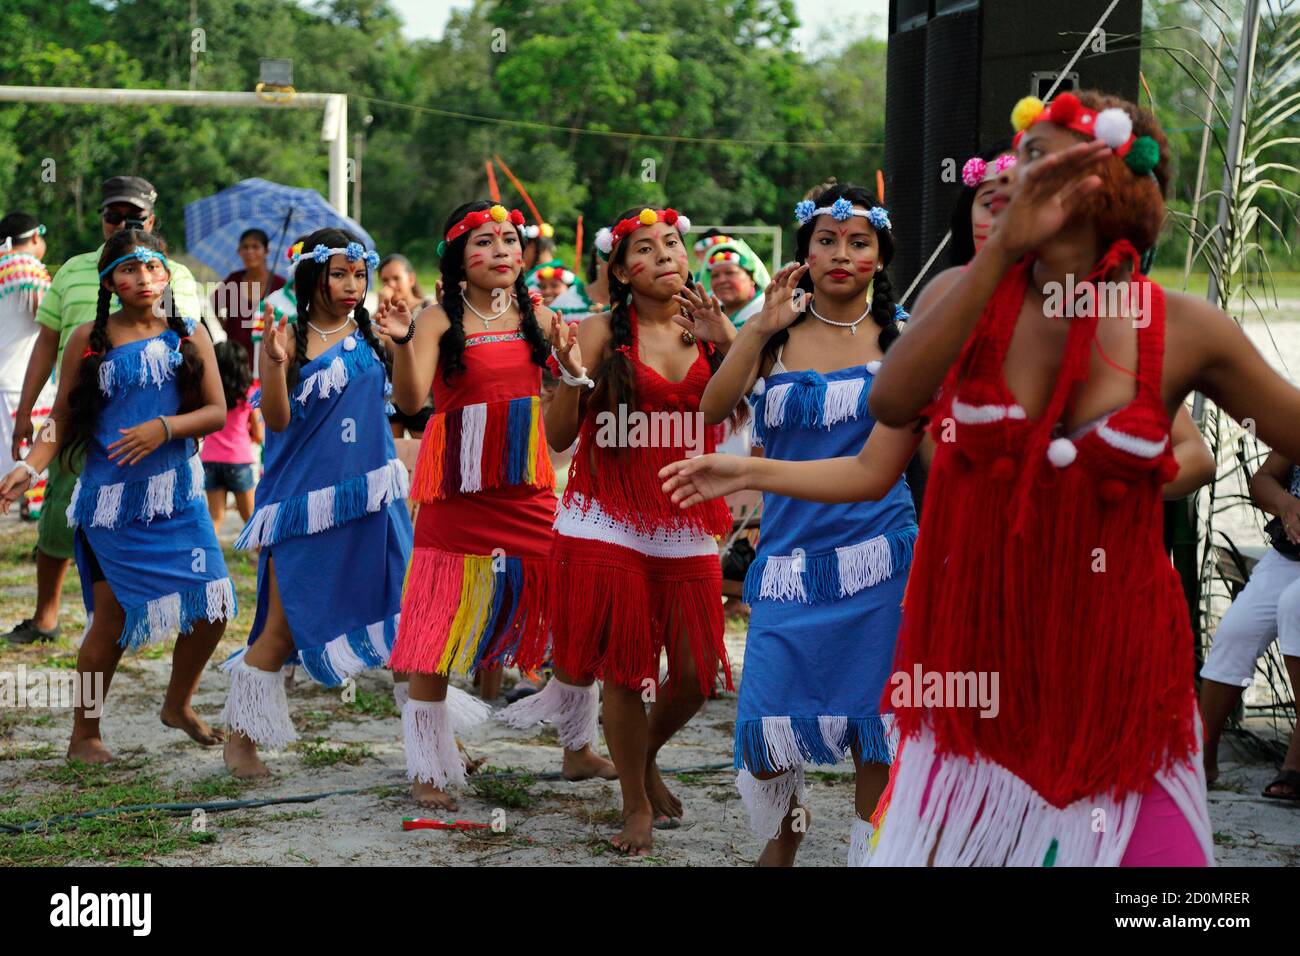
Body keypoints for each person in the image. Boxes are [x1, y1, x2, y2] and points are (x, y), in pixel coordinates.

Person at [665, 90, 1300, 865]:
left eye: (1052, 160)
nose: (1025, 178)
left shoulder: (1180, 326)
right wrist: (999, 256)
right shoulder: (952, 303)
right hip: (971, 662)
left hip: (1118, 661)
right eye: (1023, 159)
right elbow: (890, 406)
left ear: (1115, 184)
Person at [680, 185, 918, 866]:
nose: (841, 253)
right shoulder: (775, 331)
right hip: (788, 558)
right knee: (768, 724)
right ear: (804, 253)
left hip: (880, 558)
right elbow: (712, 406)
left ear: (880, 255)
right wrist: (755, 328)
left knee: (876, 724)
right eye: (826, 240)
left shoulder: (904, 336)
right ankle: (783, 843)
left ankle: (871, 855)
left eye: (858, 242)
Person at [505, 205, 738, 855]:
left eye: (672, 242)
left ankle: (644, 757)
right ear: (620, 269)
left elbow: (743, 414)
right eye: (646, 247)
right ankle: (633, 803)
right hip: (607, 518)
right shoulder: (601, 331)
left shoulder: (711, 330)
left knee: (696, 676)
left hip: (686, 514)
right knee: (627, 672)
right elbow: (555, 440)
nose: (664, 254)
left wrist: (735, 342)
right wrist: (569, 376)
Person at [374, 202, 612, 808]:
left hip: (526, 489)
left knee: (577, 605)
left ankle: (577, 745)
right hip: (456, 491)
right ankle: (430, 766)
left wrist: (575, 377)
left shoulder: (543, 317)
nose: (503, 250)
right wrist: (402, 343)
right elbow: (409, 400)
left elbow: (561, 430)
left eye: (509, 239)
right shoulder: (434, 319)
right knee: (432, 634)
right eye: (485, 241)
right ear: (459, 258)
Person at [0, 229, 235, 762]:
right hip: (110, 506)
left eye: (153, 268)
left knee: (214, 605)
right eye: (129, 270)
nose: (144, 279)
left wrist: (164, 427)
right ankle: (84, 736)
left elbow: (217, 412)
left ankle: (177, 704)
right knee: (111, 622)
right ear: (109, 280)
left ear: (167, 274)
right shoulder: (89, 336)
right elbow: (60, 422)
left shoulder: (188, 334)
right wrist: (27, 468)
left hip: (177, 497)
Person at [221, 229, 414, 779]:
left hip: (375, 497)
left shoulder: (375, 335)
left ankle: (430, 748)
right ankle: (240, 741)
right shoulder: (285, 337)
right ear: (313, 277)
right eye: (339, 274)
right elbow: (277, 421)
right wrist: (275, 364)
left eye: (359, 274)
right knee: (281, 630)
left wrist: (402, 343)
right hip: (303, 505)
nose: (353, 285)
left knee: (404, 623)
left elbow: (407, 402)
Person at [5, 175, 203, 646]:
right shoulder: (73, 271)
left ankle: (149, 618)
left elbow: (190, 352)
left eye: (133, 217)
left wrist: (178, 425)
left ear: (152, 221)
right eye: (113, 215)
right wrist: (24, 415)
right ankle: (48, 616)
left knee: (155, 526)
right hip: (77, 422)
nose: (122, 224)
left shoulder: (171, 277)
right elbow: (44, 345)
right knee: (58, 516)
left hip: (151, 430)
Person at [1199, 452, 1300, 801]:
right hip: (1291, 552)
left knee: (1295, 605)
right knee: (1237, 630)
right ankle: (1202, 759)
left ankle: (1297, 761)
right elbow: (1263, 478)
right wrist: (1286, 503)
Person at [0, 213, 52, 477]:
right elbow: (45, 317)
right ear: (35, 236)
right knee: (21, 472)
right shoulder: (28, 268)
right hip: (19, 384)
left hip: (7, 382)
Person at [201, 340, 261, 528]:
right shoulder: (249, 394)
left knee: (215, 519)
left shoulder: (207, 394)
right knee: (251, 520)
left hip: (210, 460)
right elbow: (259, 434)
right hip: (238, 461)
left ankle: (207, 558)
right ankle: (266, 558)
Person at [378, 253, 436, 439]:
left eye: (396, 278)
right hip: (391, 398)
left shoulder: (429, 309)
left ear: (411, 279)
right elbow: (376, 349)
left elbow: (409, 353)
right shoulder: (380, 315)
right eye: (385, 280)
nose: (391, 285)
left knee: (425, 454)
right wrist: (382, 308)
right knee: (394, 457)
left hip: (423, 398)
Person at [212, 228, 285, 370]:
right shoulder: (233, 280)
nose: (249, 252)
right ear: (239, 251)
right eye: (245, 247)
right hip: (236, 361)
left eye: (255, 247)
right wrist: (227, 326)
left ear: (266, 251)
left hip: (266, 360)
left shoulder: (279, 285)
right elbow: (214, 304)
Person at [697, 238, 770, 328]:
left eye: (730, 273)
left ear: (751, 277)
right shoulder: (708, 316)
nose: (721, 280)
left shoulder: (767, 313)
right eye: (715, 276)